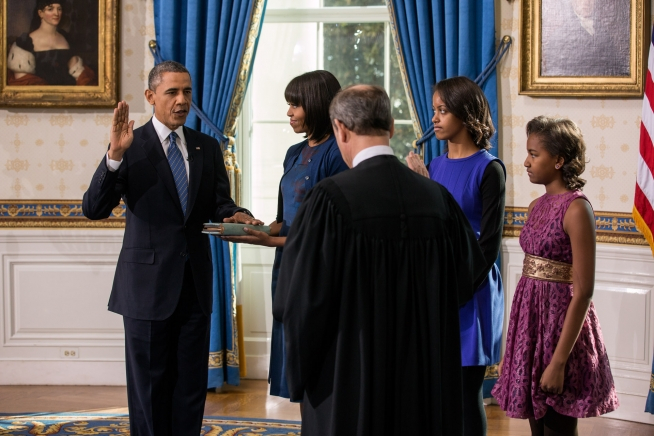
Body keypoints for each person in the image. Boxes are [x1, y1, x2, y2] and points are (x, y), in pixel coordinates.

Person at [273, 84, 488, 435]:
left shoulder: (329, 200)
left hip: (350, 383)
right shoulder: (437, 199)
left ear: (340, 129)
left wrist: (303, 378)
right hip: (423, 383)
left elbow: (298, 300)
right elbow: (466, 279)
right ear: (390, 127)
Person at [82, 60, 260, 436]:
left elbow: (220, 204)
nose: (182, 100)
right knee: (149, 389)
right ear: (151, 96)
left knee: (190, 388)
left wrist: (238, 214)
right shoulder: (130, 145)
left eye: (187, 92)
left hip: (194, 286)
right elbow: (94, 208)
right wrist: (113, 156)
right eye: (172, 92)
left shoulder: (206, 146)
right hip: (146, 289)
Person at [220, 70, 348, 402]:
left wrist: (268, 241)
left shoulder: (338, 154)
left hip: (319, 266)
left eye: (295, 104)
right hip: (288, 263)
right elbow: (283, 221)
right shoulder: (294, 152)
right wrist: (250, 229)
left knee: (318, 355)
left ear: (317, 105)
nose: (289, 112)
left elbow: (332, 232)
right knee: (293, 343)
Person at [491, 116, 618, 435]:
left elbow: (584, 291)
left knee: (557, 428)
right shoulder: (536, 206)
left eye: (534, 154)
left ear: (559, 160)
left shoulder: (577, 209)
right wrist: (514, 350)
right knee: (538, 427)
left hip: (560, 330)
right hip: (531, 326)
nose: (526, 162)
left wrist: (559, 361)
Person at [406, 75, 505, 436]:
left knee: (465, 392)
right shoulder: (434, 165)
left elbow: (489, 244)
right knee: (436, 392)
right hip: (435, 284)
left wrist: (455, 287)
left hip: (470, 288)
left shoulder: (489, 168)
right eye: (434, 110)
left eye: (443, 110)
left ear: (466, 114)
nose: (434, 118)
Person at [7, 1, 96, 86]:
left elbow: (80, 76)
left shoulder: (66, 38)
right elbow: (23, 82)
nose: (56, 13)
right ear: (40, 13)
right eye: (50, 9)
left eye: (59, 9)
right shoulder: (25, 42)